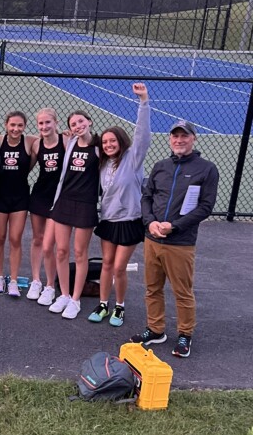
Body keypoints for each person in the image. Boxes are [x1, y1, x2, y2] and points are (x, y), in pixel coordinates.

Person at [132, 118, 218, 358]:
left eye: (184, 136)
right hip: (153, 239)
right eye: (175, 136)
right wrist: (151, 222)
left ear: (193, 138)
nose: (179, 140)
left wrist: (175, 227)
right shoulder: (160, 166)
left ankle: (185, 334)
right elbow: (146, 197)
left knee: (182, 291)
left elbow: (205, 206)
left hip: (180, 243)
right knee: (152, 288)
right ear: (170, 139)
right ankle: (155, 329)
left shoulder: (206, 168)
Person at [88, 82, 152, 327]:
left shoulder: (133, 159)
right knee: (106, 264)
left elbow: (142, 135)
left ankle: (120, 307)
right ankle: (103, 304)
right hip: (109, 220)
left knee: (118, 267)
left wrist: (143, 102)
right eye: (104, 142)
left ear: (121, 141)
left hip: (129, 221)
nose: (108, 145)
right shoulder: (103, 163)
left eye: (112, 141)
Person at [43, 111, 98, 319]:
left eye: (81, 121)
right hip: (64, 200)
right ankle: (64, 294)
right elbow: (49, 137)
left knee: (80, 252)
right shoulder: (70, 143)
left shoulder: (99, 146)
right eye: (73, 123)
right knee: (62, 251)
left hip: (85, 204)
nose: (77, 125)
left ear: (89, 121)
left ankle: (76, 299)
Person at [0, 110, 37, 297]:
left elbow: (50, 141)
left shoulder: (31, 142)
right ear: (6, 125)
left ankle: (14, 280)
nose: (16, 129)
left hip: (20, 197)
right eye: (12, 125)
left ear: (24, 126)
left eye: (20, 125)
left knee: (15, 239)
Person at [28, 108, 63, 304]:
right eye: (41, 123)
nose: (44, 126)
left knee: (50, 244)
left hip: (58, 198)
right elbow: (27, 168)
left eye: (48, 122)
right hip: (39, 196)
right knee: (37, 239)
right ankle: (36, 280)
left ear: (55, 123)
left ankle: (50, 285)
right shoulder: (35, 145)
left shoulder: (65, 142)